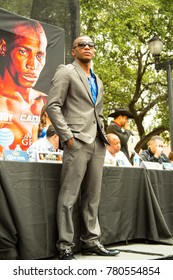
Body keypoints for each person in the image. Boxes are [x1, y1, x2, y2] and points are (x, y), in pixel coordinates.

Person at [46, 35, 120, 260]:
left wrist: (102, 136)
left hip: (97, 143)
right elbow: (53, 105)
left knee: (93, 196)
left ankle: (91, 241)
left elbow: (97, 112)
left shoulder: (97, 79)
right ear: (73, 51)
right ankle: (65, 244)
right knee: (69, 195)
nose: (87, 47)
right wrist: (67, 136)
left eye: (90, 45)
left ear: (94, 51)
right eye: (82, 45)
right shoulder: (66, 71)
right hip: (76, 140)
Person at [0, 19, 48, 156]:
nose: (32, 65)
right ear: (4, 48)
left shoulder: (45, 102)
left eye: (39, 56)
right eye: (23, 52)